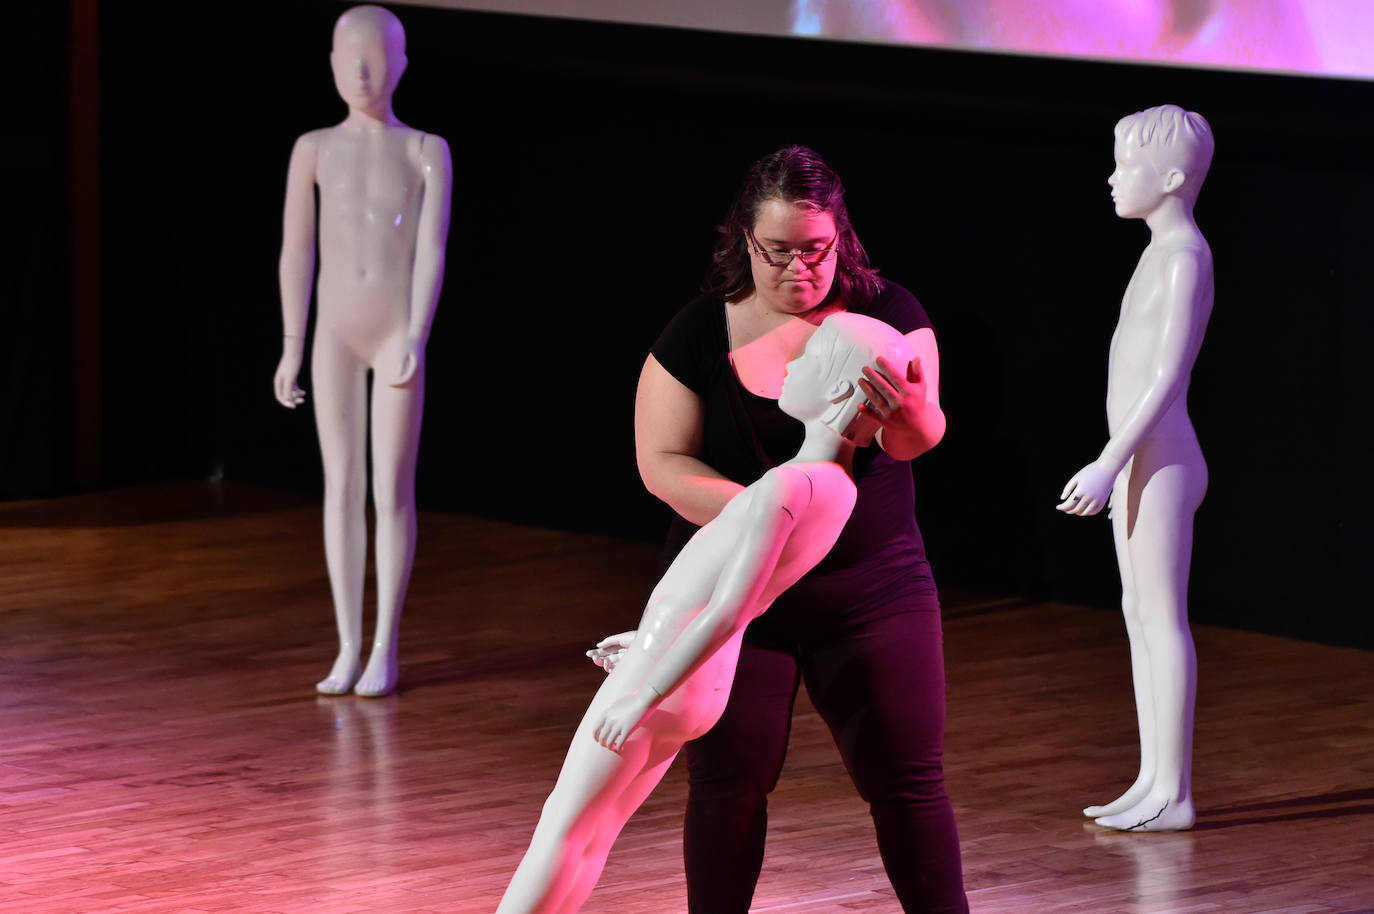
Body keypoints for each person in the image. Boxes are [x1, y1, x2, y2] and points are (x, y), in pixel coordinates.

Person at [625, 144, 968, 912]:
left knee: (907, 780)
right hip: (738, 596)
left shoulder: (889, 316)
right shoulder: (696, 334)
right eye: (778, 252)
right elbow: (661, 462)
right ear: (744, 239)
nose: (799, 270)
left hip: (872, 589)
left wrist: (911, 410)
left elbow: (915, 439)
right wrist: (761, 516)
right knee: (728, 780)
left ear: (840, 237)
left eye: (816, 250)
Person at [495, 312, 912, 914]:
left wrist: (644, 687)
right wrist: (646, 639)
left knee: (561, 829)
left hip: (666, 679)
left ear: (843, 391)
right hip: (696, 683)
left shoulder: (787, 488)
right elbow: (726, 597)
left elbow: (727, 607)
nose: (791, 366)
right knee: (590, 834)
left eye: (811, 360)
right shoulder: (839, 489)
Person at [274, 5, 453, 698]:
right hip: (334, 334)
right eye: (348, 55)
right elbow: (296, 249)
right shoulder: (314, 148)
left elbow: (432, 248)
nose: (362, 70)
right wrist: (292, 342)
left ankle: (385, 646)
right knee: (341, 487)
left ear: (403, 63)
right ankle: (348, 644)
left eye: (377, 54)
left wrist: (416, 331)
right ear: (328, 63)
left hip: (393, 333)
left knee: (390, 490)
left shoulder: (424, 150)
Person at [1058, 104, 1214, 832]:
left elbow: (1166, 377)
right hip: (1135, 465)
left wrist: (1107, 461)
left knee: (1162, 618)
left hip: (1161, 461)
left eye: (1129, 167)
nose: (1114, 179)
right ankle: (1153, 779)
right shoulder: (1157, 252)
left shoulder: (1184, 257)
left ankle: (1175, 794)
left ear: (1174, 178)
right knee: (1138, 614)